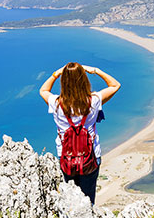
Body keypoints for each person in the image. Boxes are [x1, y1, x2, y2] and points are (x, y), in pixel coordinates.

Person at [39, 62, 121, 205]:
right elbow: (115, 85)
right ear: (84, 80)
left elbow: (43, 90)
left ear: (63, 82)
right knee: (88, 201)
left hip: (67, 157)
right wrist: (96, 70)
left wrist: (56, 74)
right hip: (91, 156)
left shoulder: (56, 103)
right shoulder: (93, 101)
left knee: (72, 198)